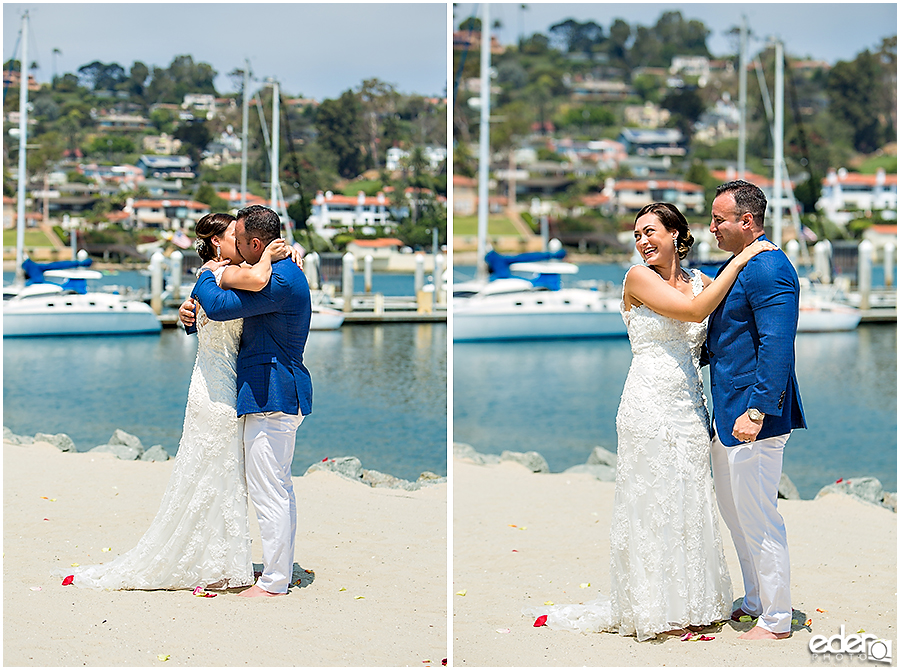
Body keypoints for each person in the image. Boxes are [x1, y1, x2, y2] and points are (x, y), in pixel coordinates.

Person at [524, 202, 775, 641]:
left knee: (690, 501)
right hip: (647, 403)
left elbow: (722, 323)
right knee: (650, 503)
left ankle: (694, 603)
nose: (642, 242)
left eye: (650, 232)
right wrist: (742, 258)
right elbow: (695, 313)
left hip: (690, 407)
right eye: (637, 234)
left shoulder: (700, 280)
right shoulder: (637, 279)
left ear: (676, 234)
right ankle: (653, 606)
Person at [65, 212, 297, 591]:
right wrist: (274, 254)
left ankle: (222, 560)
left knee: (223, 477)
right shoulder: (218, 273)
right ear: (219, 244)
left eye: (242, 237)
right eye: (232, 236)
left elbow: (205, 315)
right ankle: (221, 564)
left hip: (223, 384)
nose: (239, 242)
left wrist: (286, 251)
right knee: (219, 474)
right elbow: (244, 289)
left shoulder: (226, 275)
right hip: (217, 391)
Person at [181, 204, 312, 598]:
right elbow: (215, 312)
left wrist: (206, 274)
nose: (233, 248)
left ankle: (273, 583)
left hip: (273, 393)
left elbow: (220, 308)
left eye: (239, 241)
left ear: (255, 242)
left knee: (269, 490)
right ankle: (278, 572)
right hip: (270, 393)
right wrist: (190, 311)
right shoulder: (273, 272)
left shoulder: (280, 281)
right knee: (278, 488)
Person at [706, 180, 806, 640]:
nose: (711, 229)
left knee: (760, 517)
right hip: (729, 412)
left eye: (719, 220)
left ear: (747, 221)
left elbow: (777, 344)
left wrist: (759, 410)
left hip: (755, 416)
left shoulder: (769, 268)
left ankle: (776, 618)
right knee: (736, 514)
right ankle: (755, 599)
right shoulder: (740, 264)